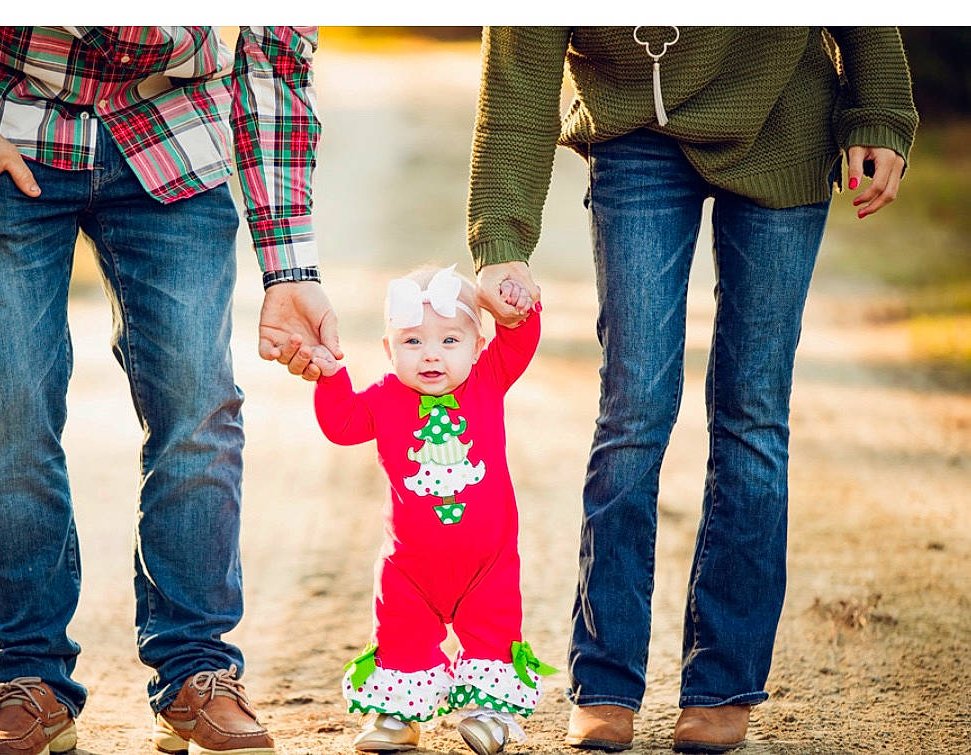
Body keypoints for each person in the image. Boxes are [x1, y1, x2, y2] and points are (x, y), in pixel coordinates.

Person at [0, 25, 341, 755]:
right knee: (10, 403)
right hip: (5, 123)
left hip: (172, 132)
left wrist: (290, 270)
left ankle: (196, 670)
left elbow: (274, 62)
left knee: (197, 403)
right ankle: (29, 678)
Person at [467, 27, 917, 753]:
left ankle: (721, 683)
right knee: (633, 407)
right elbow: (518, 72)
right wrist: (501, 239)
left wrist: (879, 112)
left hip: (781, 117)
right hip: (633, 129)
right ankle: (605, 680)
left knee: (751, 412)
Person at [310, 266, 554, 755]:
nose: (431, 354)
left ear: (477, 347)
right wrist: (331, 376)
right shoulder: (384, 397)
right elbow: (342, 425)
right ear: (388, 350)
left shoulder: (487, 380)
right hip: (409, 567)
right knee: (400, 633)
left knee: (493, 632)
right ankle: (398, 715)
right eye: (413, 342)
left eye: (448, 340)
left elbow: (520, 340)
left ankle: (492, 716)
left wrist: (514, 304)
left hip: (487, 563)